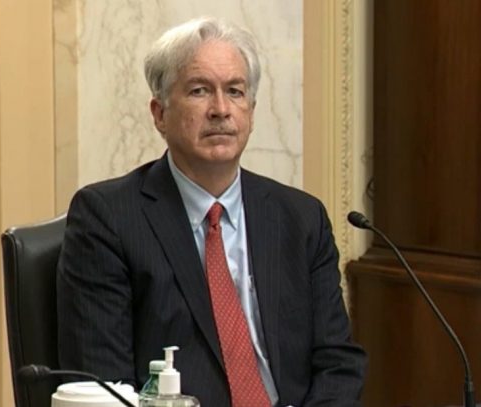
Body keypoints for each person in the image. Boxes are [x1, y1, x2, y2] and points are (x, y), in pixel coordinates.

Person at [56, 16, 367, 407]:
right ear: (159, 113)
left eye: (235, 91)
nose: (221, 109)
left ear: (251, 111)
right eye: (199, 90)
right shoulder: (109, 218)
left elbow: (337, 364)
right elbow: (105, 384)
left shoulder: (300, 218)